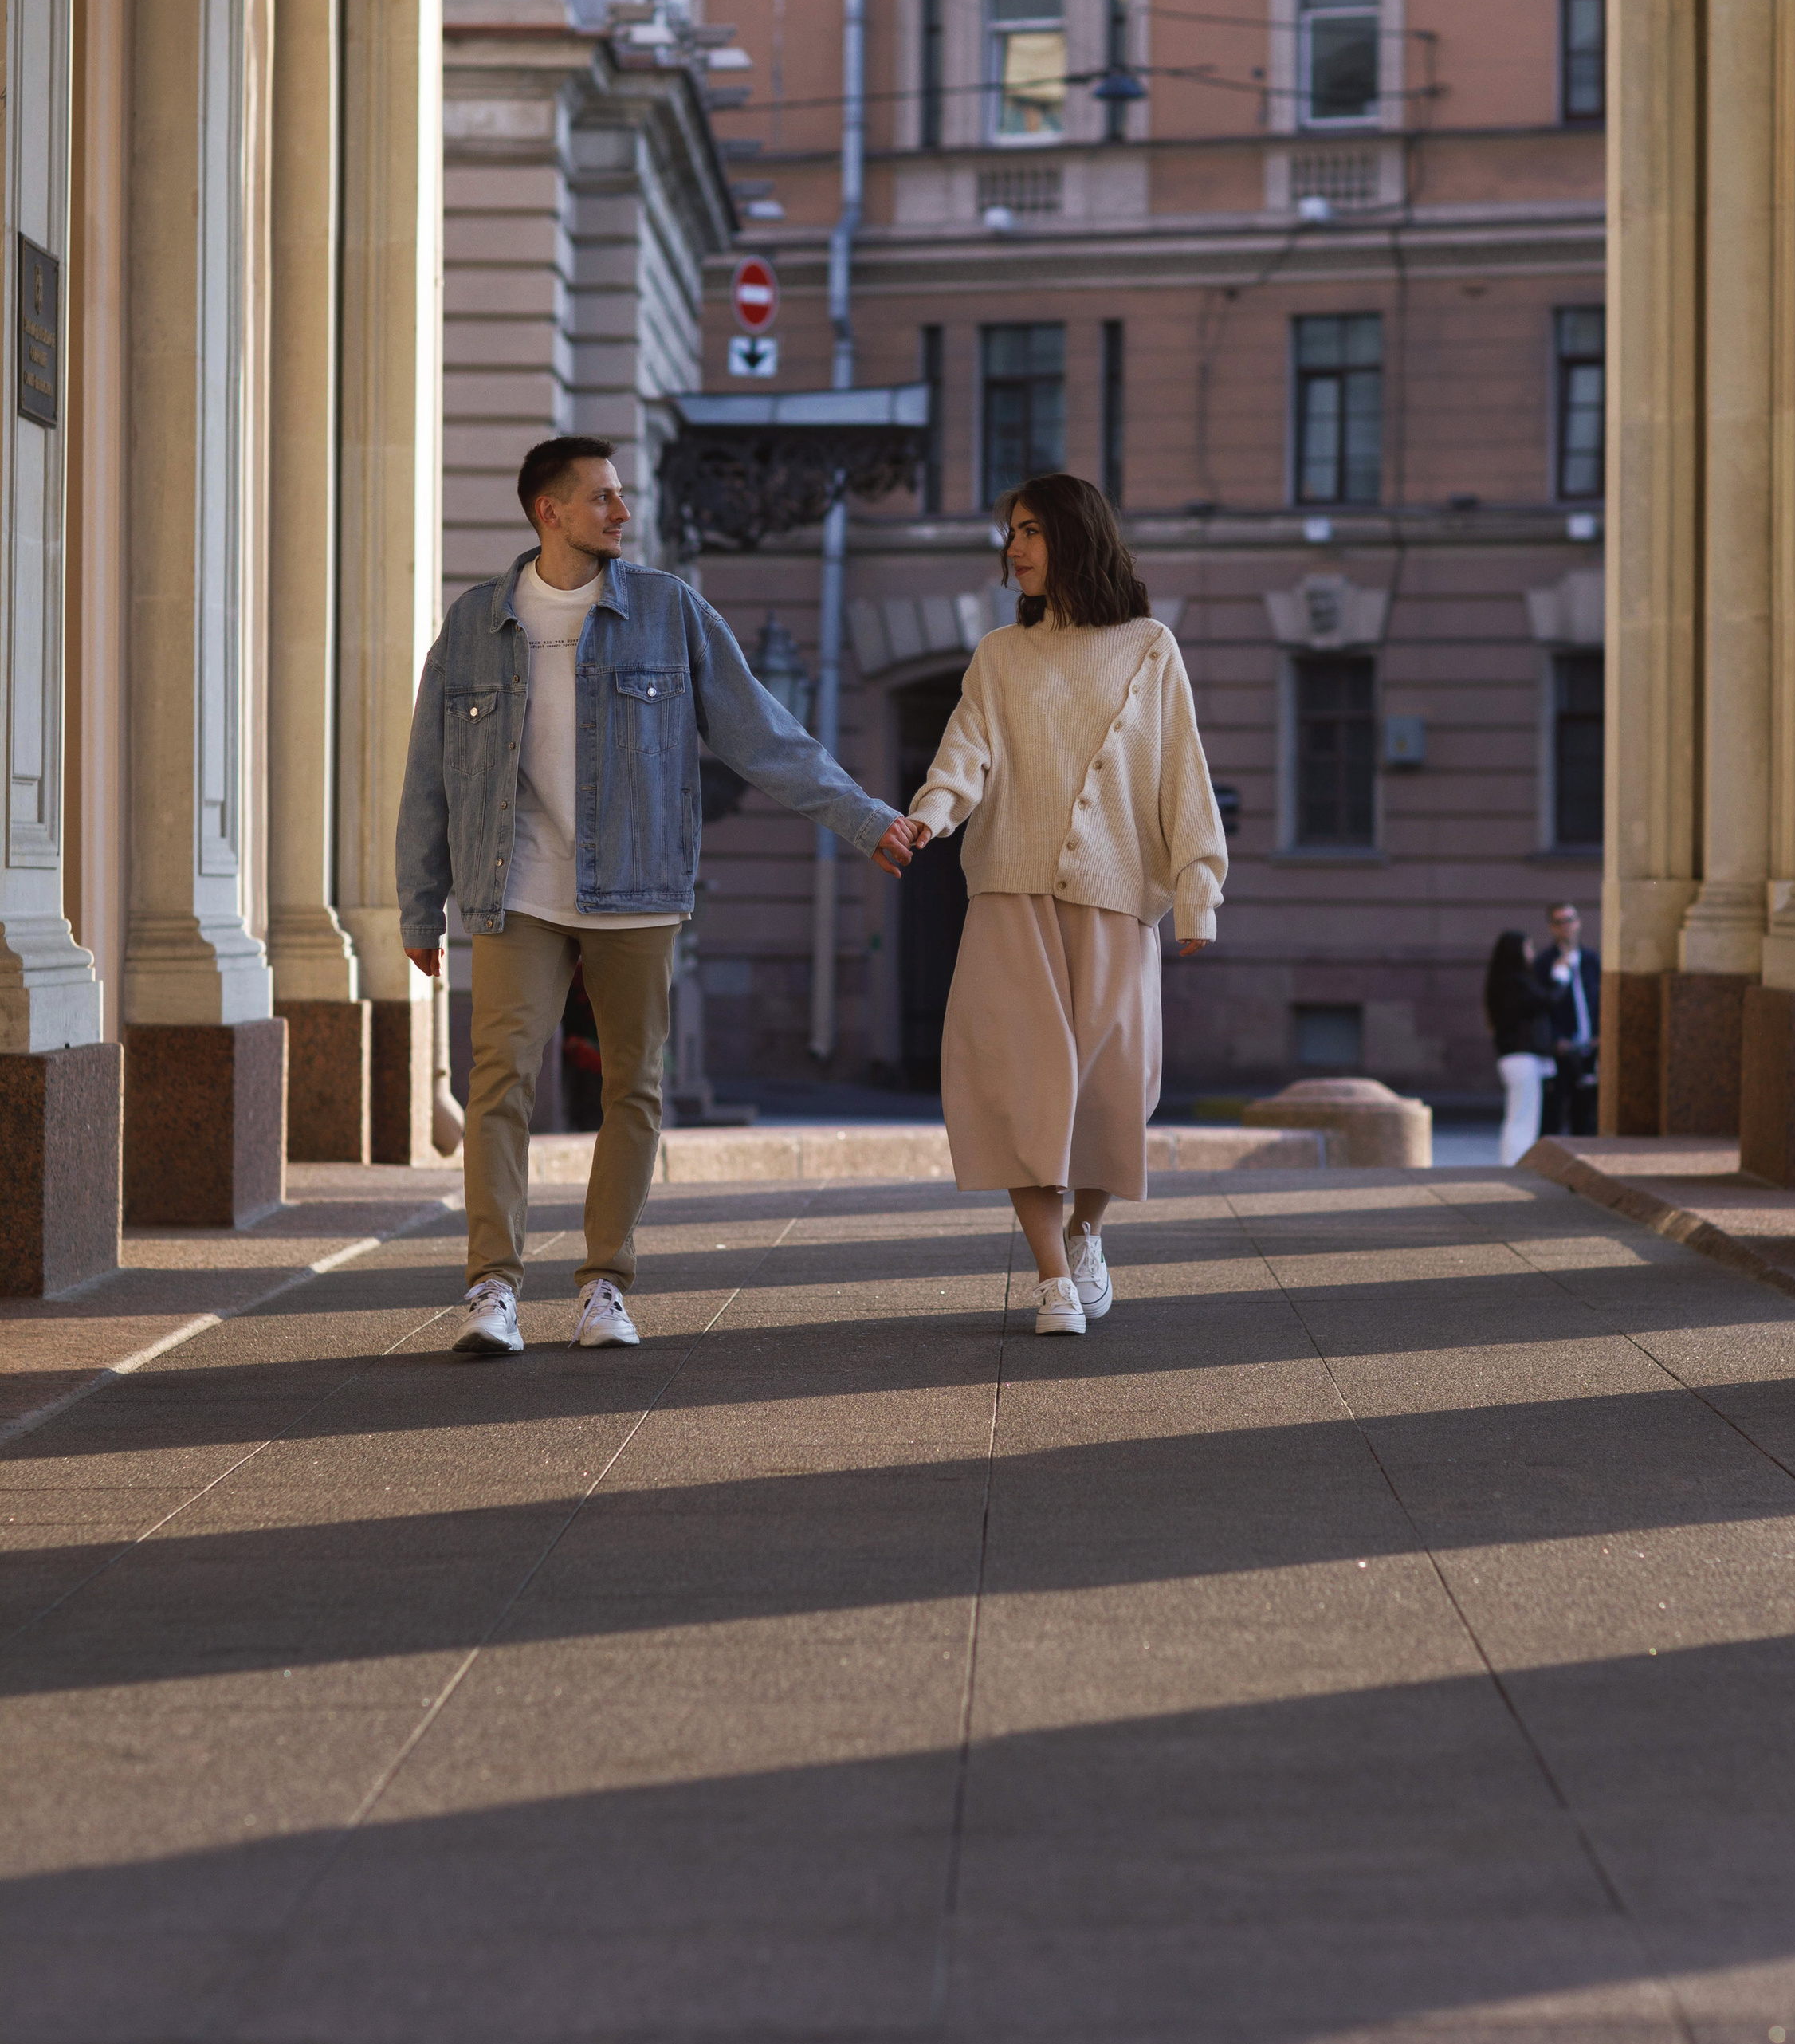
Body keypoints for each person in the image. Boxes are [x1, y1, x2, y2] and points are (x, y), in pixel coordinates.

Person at [396, 434, 920, 1358]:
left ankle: (605, 1284)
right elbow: (430, 776)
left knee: (633, 1088)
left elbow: (764, 735)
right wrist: (418, 902)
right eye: (602, 497)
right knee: (499, 1084)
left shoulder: (669, 611)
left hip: (635, 885)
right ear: (547, 511)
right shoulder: (475, 621)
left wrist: (863, 817)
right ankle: (492, 1286)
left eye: (621, 496)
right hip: (513, 886)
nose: (623, 513)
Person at [898, 473, 1227, 1336]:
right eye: (1011, 532)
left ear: (1077, 535)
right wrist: (930, 815)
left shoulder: (1150, 647)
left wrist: (1197, 890)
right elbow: (963, 753)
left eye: (1032, 530)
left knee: (1114, 1089)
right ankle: (1050, 1278)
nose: (1015, 548)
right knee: (1018, 1085)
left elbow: (1180, 776)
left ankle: (1085, 1235)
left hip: (1116, 899)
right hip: (1010, 892)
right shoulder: (999, 657)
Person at [1483, 930, 1557, 1166]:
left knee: (1521, 1114)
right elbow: (1546, 1001)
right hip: (1521, 1055)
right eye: (1528, 948)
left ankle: (1515, 1161)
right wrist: (1560, 978)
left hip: (1514, 1056)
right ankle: (1515, 1163)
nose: (1531, 954)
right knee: (1523, 1116)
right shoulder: (1515, 982)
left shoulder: (1503, 981)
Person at [1532, 898, 1601, 1136]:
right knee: (1553, 1113)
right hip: (1561, 1051)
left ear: (1579, 923)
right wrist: (1556, 1039)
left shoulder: (1592, 961)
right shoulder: (1543, 964)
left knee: (1586, 1115)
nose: (1566, 927)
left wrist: (1599, 1034)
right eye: (1560, 922)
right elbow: (1543, 1007)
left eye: (1570, 920)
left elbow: (1600, 1000)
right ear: (1552, 927)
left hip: (1590, 1048)